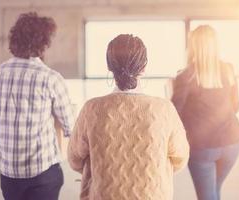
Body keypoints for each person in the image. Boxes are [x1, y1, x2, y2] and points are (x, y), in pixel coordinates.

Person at [68, 34, 189, 200]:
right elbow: (180, 157)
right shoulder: (164, 109)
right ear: (144, 67)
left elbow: (74, 158)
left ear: (109, 67)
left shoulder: (92, 108)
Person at [0, 12, 74, 200]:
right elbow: (70, 125)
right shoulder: (50, 78)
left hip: (8, 173)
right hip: (42, 171)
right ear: (43, 43)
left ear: (14, 40)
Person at [170, 25, 239, 200]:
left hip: (202, 147)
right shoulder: (228, 69)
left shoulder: (185, 76)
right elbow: (236, 106)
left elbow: (174, 114)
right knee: (214, 191)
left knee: (208, 195)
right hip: (231, 145)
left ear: (194, 46)